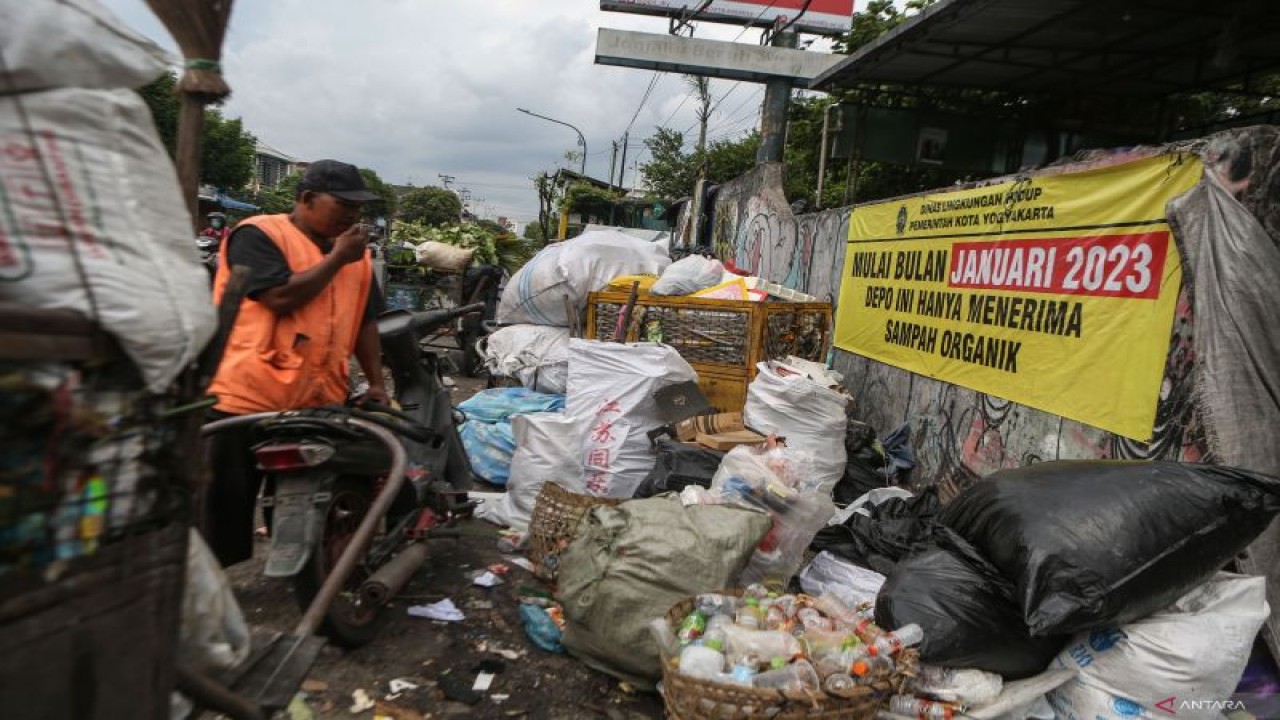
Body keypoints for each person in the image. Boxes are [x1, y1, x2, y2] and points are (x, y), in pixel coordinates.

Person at [202, 159, 388, 566]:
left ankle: (306, 569)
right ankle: (215, 581)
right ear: (306, 198)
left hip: (318, 399)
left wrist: (376, 382)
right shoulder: (258, 234)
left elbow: (366, 321)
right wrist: (338, 259)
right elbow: (278, 297)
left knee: (308, 498)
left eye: (358, 207)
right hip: (248, 397)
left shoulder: (357, 256)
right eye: (343, 204)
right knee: (226, 507)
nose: (353, 215)